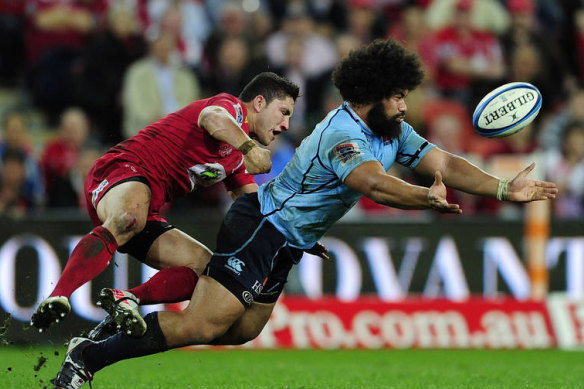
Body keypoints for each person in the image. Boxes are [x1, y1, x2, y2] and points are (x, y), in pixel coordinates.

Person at [52, 39, 557, 389]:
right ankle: (88, 357)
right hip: (263, 225)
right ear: (373, 94)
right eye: (398, 95)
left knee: (243, 330)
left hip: (289, 240)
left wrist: (503, 186)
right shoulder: (342, 133)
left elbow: (443, 161)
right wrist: (423, 197)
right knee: (205, 325)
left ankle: (110, 328)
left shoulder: (393, 132)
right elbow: (370, 183)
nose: (406, 106)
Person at [31, 72, 301, 334]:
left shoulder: (236, 161)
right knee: (128, 218)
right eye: (284, 111)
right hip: (123, 171)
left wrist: (298, 231)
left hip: (148, 206)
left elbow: (257, 207)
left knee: (206, 272)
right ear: (259, 103)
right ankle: (58, 296)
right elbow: (211, 117)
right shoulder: (230, 108)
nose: (286, 124)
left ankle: (125, 298)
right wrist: (249, 147)